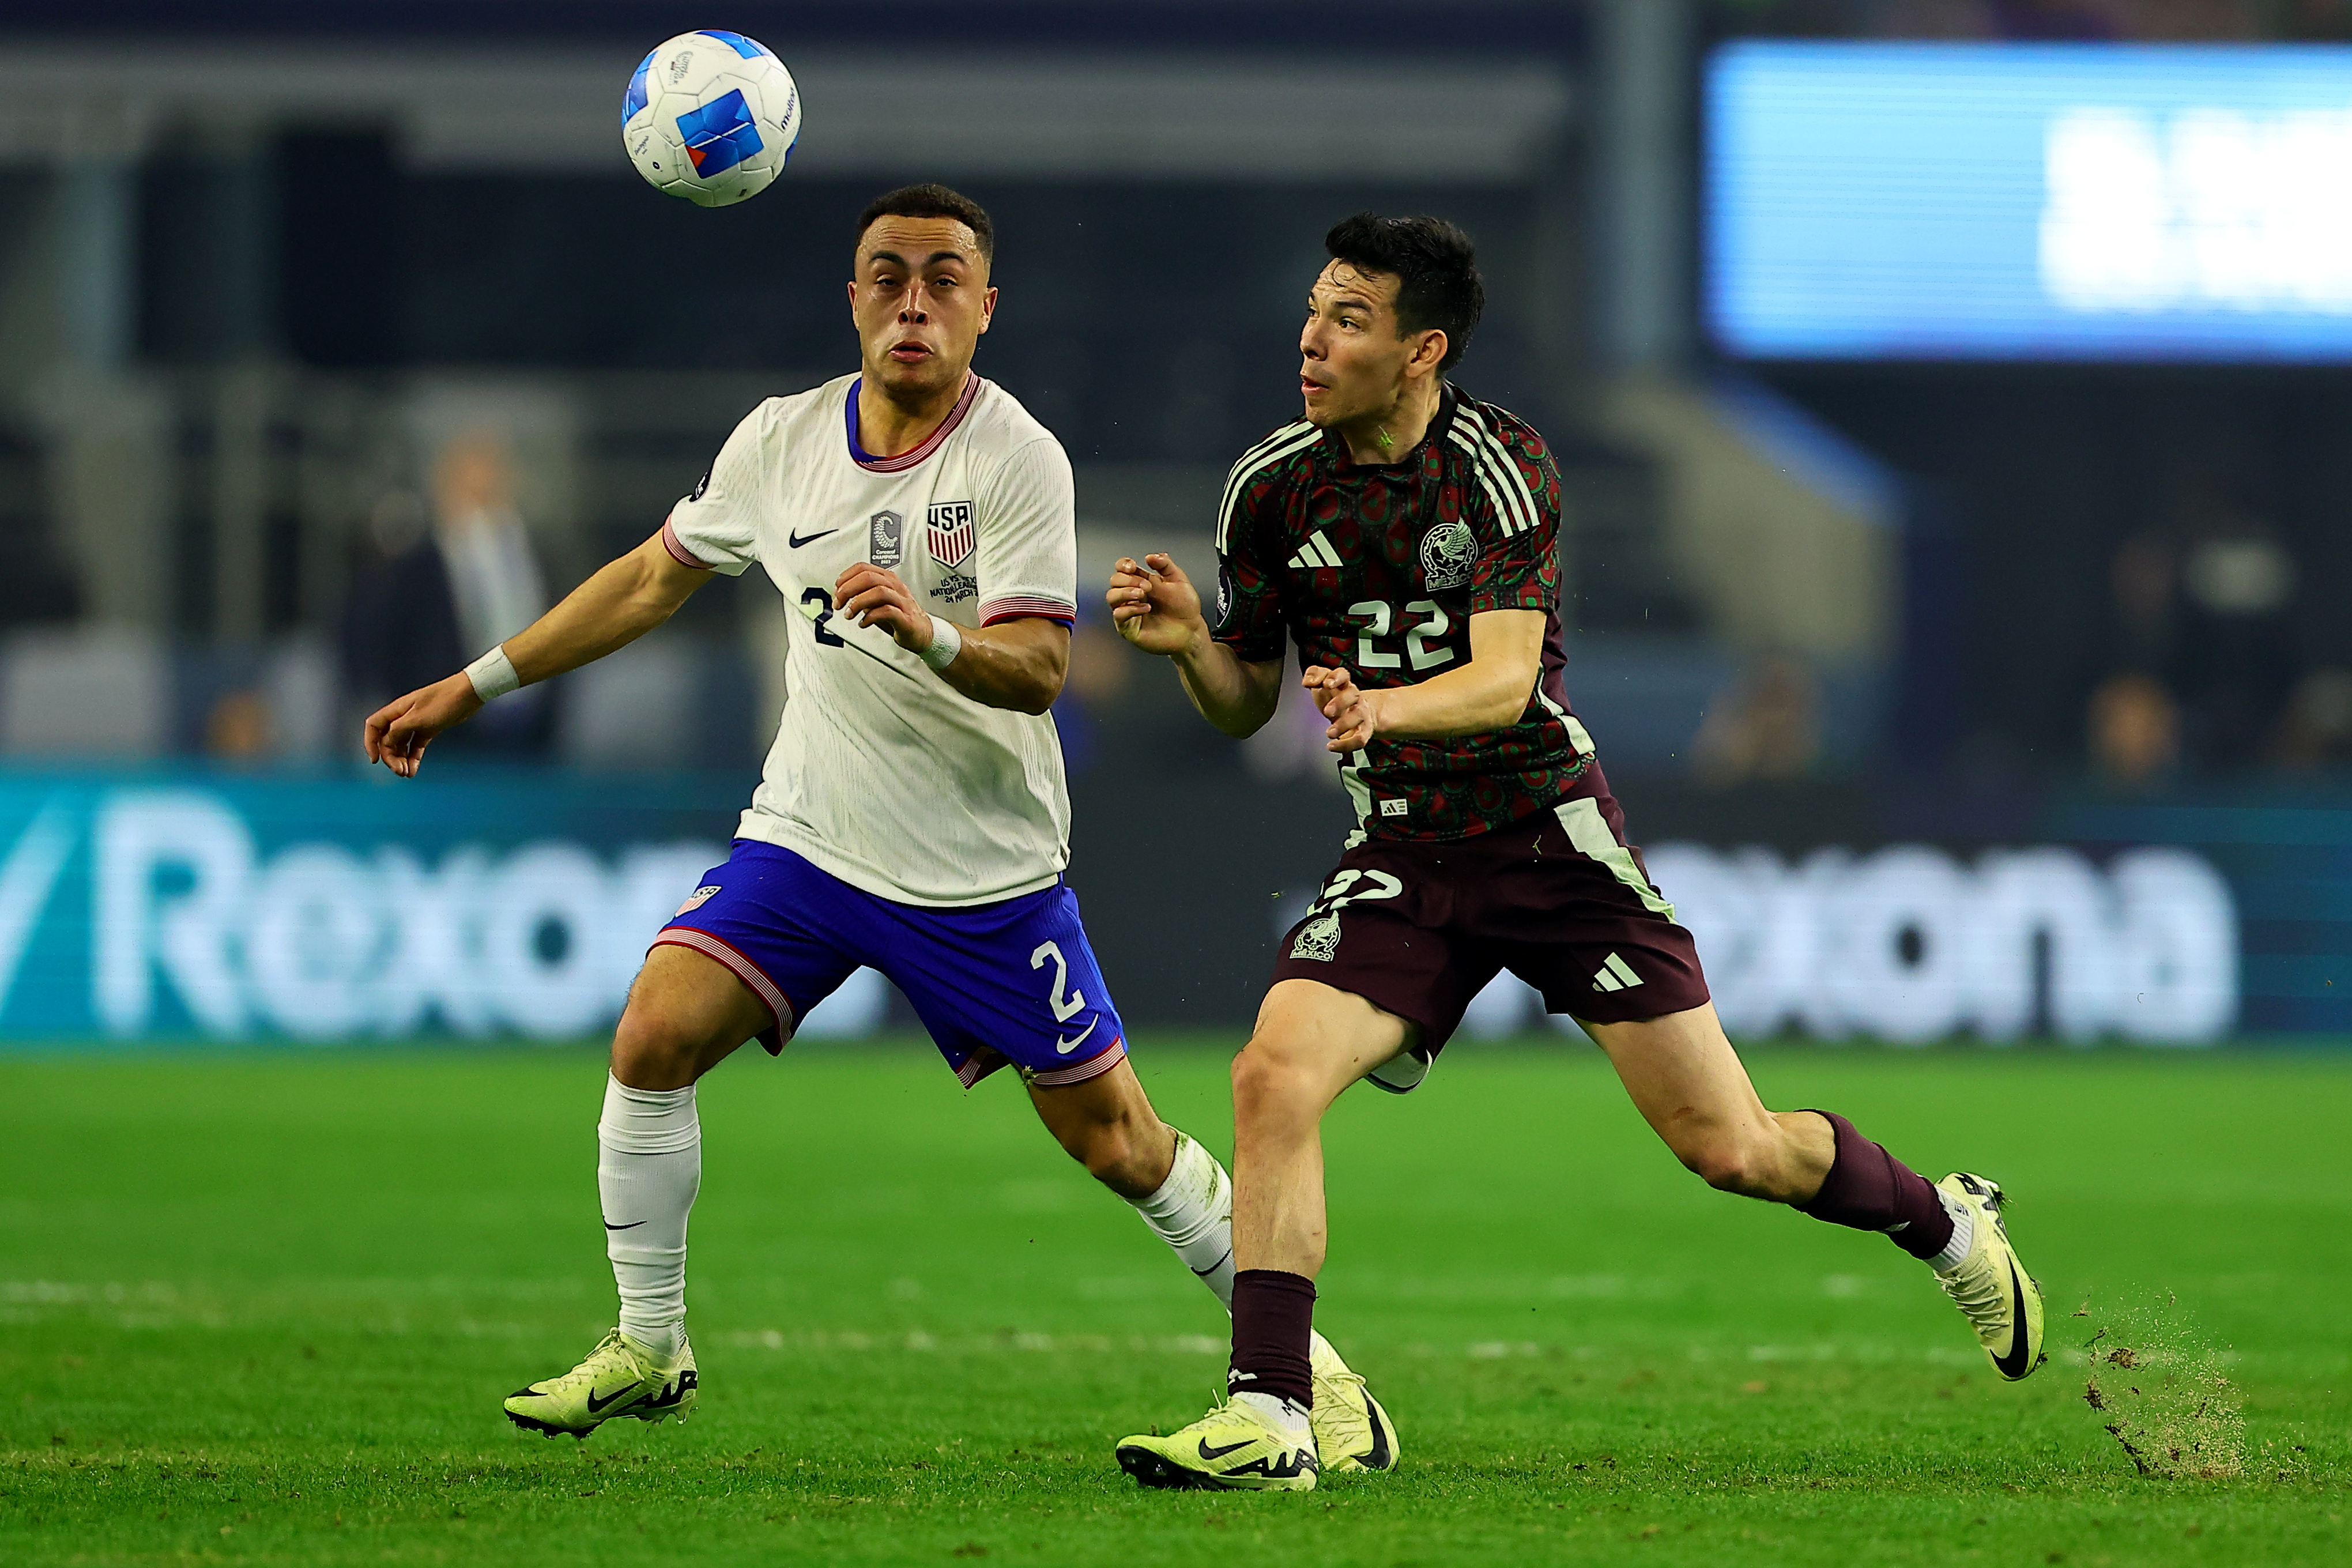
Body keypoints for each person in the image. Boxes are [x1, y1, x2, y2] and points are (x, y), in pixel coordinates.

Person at [360, 184, 1394, 1469]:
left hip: (982, 876)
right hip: (808, 838)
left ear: (986, 308)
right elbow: (647, 579)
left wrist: (929, 628)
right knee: (654, 1031)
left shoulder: (1019, 460)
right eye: (888, 275)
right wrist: (473, 684)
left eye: (944, 278)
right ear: (852, 299)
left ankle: (1323, 1381)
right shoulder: (780, 441)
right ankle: (650, 1341)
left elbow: (1037, 671)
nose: (915, 300)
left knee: (1116, 1140)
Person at [1104, 214, 2044, 1493]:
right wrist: (1187, 652)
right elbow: (1242, 696)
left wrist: (1384, 708)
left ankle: (1944, 1218)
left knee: (1733, 1147)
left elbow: (1500, 682)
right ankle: (1271, 1411)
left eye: (1351, 319)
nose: (1314, 341)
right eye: (1315, 312)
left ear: (1424, 348)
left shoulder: (1501, 466)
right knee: (1272, 1073)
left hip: (1549, 845)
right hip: (1404, 854)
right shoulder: (1270, 487)